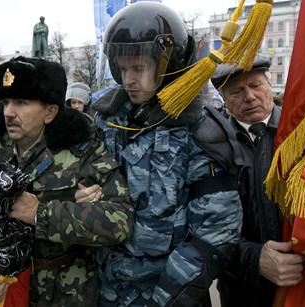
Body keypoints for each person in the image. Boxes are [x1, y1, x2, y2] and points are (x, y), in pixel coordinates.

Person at [0, 56, 133, 307]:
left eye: (22, 103)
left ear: (50, 112)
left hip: (65, 294)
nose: (9, 112)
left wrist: (40, 214)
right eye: (6, 102)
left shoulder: (83, 152)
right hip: (1, 294)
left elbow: (120, 221)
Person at [91, 2, 243, 306]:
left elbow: (216, 230)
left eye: (138, 68)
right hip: (106, 291)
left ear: (170, 64)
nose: (129, 79)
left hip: (166, 294)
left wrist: (164, 298)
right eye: (122, 68)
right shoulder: (107, 118)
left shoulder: (198, 127)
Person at [210, 56, 304, 307]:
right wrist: (253, 260)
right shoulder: (211, 146)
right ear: (224, 101)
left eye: (256, 85)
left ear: (270, 86)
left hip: (304, 284)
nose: (250, 96)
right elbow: (204, 228)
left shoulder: (303, 132)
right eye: (237, 91)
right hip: (242, 291)